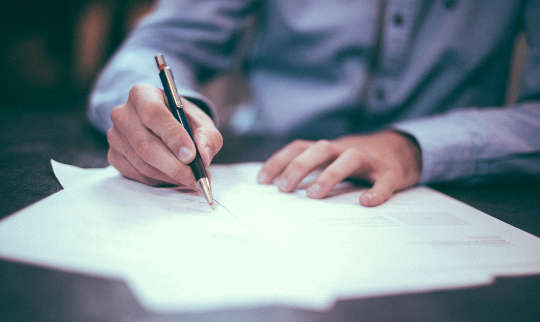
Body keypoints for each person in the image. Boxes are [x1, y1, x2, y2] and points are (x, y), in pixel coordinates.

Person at [89, 1, 540, 207]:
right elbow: (158, 45)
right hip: (267, 174)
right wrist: (164, 112)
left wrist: (414, 146)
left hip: (460, 190)